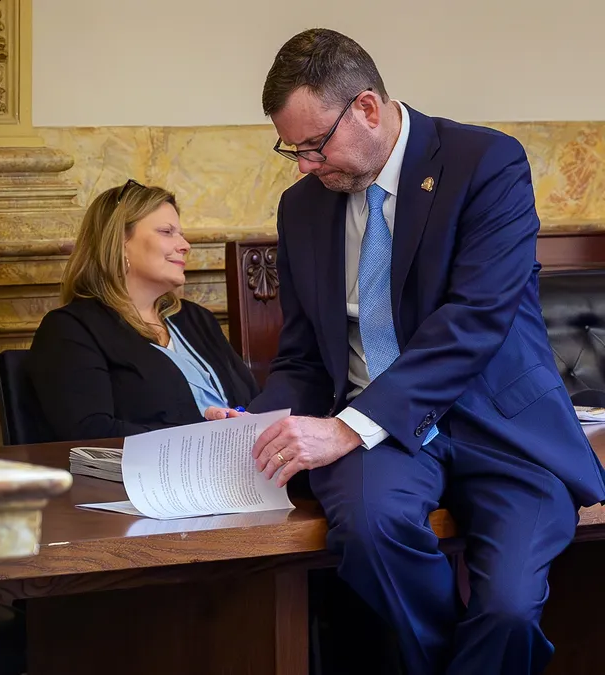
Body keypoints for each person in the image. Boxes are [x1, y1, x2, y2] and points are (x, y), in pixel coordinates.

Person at [246, 28, 605, 675]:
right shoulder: (301, 209)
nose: (302, 164)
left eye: (313, 145)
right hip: (377, 440)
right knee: (368, 532)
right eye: (290, 148)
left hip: (499, 426)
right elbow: (301, 355)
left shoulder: (486, 164)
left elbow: (473, 321)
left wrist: (345, 428)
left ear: (367, 109)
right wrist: (260, 422)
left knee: (509, 608)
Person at [26, 180, 256, 441]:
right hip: (146, 479)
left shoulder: (195, 318)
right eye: (167, 232)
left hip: (244, 468)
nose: (185, 245)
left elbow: (251, 400)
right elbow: (90, 434)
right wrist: (199, 432)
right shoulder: (70, 330)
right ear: (120, 242)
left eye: (180, 233)